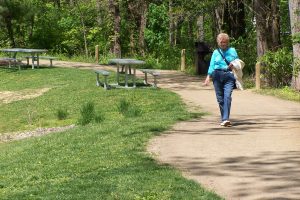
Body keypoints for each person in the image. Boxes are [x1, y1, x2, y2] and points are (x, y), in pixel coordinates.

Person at [204, 33, 239, 127]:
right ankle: (225, 118)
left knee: (227, 96)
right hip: (217, 75)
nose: (223, 44)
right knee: (220, 99)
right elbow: (211, 65)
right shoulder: (215, 52)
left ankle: (226, 119)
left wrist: (233, 64)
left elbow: (238, 62)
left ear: (227, 42)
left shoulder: (232, 50)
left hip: (229, 75)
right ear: (218, 42)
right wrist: (208, 76)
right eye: (221, 42)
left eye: (225, 42)